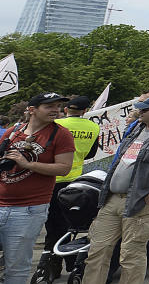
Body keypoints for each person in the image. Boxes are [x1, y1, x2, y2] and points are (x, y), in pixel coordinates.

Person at [83, 93, 149, 284]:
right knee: (98, 250)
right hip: (112, 198)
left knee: (131, 255)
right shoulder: (138, 127)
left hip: (140, 202)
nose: (139, 112)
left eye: (144, 109)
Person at [0, 93, 75, 284]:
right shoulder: (13, 131)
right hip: (1, 202)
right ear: (32, 110)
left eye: (57, 106)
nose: (55, 110)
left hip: (28, 209)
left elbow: (64, 168)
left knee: (16, 266)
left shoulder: (61, 134)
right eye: (49, 106)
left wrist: (28, 164)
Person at [43, 96, 99, 278]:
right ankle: (71, 261)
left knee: (53, 224)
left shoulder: (56, 124)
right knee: (71, 224)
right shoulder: (93, 127)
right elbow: (91, 152)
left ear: (66, 109)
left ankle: (52, 266)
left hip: (52, 178)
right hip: (76, 180)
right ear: (85, 111)